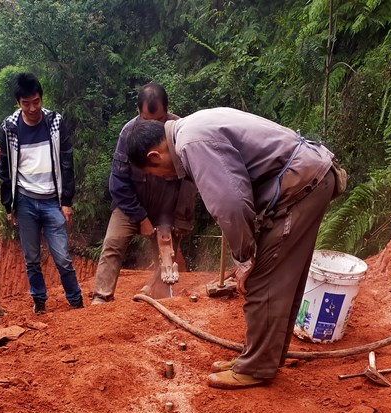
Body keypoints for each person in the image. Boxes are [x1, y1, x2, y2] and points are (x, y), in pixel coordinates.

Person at [127, 108, 339, 389]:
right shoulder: (190, 128)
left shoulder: (191, 143)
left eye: (153, 172)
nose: (161, 177)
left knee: (263, 279)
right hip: (307, 176)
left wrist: (245, 260)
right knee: (281, 277)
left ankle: (256, 367)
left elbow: (231, 206)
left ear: (154, 156)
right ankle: (261, 357)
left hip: (299, 185)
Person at [91, 82, 197, 305]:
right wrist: (140, 218)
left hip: (167, 208)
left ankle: (157, 294)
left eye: (159, 120)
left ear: (167, 109)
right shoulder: (128, 133)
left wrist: (180, 219)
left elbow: (190, 180)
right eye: (147, 120)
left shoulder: (180, 131)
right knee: (113, 243)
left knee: (166, 253)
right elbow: (118, 183)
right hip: (131, 203)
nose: (153, 128)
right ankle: (101, 296)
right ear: (138, 110)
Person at [0, 73, 83, 314]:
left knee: (62, 257)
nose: (33, 108)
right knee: (32, 258)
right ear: (18, 103)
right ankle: (39, 300)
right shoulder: (9, 128)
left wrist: (67, 200)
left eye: (36, 101)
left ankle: (76, 301)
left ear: (41, 98)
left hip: (52, 200)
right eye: (26, 103)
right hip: (25, 201)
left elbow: (66, 161)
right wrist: (9, 205)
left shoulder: (54, 122)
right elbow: (4, 168)